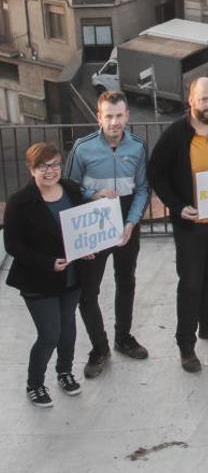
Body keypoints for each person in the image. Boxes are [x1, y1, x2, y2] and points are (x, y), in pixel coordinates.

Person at [147, 77, 208, 373]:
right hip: (192, 225)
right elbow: (156, 173)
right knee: (190, 284)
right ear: (190, 100)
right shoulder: (177, 133)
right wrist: (177, 207)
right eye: (203, 100)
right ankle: (186, 344)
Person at [63, 90, 150, 379]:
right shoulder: (82, 148)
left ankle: (123, 338)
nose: (114, 122)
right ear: (99, 117)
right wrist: (93, 194)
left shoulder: (138, 147)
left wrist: (132, 222)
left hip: (125, 219)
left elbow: (142, 189)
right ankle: (99, 348)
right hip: (93, 219)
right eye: (109, 116)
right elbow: (69, 186)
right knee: (88, 292)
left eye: (119, 116)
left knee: (126, 281)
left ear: (127, 116)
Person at [4, 143, 90, 407]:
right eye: (43, 166)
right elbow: (13, 246)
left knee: (68, 329)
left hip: (71, 276)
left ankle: (64, 372)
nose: (51, 171)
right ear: (31, 169)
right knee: (50, 334)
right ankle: (35, 384)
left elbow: (84, 223)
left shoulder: (72, 191)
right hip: (38, 280)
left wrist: (87, 247)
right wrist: (48, 263)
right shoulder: (20, 202)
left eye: (55, 164)